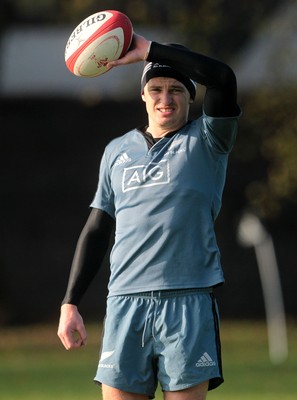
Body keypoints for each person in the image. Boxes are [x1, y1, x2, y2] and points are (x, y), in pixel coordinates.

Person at [58, 32, 241, 400]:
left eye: (176, 89)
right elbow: (97, 228)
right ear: (143, 94)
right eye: (156, 88)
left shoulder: (208, 140)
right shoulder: (116, 151)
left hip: (188, 302)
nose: (165, 98)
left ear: (191, 95)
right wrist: (70, 302)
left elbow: (223, 78)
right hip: (125, 302)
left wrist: (148, 51)